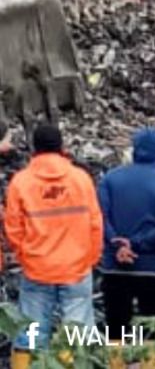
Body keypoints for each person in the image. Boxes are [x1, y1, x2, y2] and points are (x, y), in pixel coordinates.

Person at [4, 123, 104, 369]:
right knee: (77, 334)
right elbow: (95, 224)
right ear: (62, 148)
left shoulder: (21, 182)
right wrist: (88, 259)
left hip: (38, 269)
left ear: (34, 149)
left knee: (30, 330)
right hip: (76, 269)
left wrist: (26, 256)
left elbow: (13, 229)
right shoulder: (81, 180)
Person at [98, 127, 155, 369]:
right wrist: (136, 243)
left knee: (116, 326)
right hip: (150, 267)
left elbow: (99, 217)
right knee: (152, 327)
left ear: (134, 150)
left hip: (114, 266)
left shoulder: (110, 179)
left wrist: (117, 244)